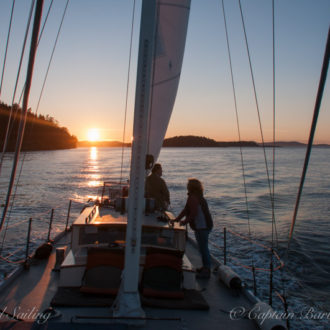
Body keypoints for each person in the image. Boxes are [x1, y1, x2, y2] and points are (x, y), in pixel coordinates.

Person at [174, 178, 213, 279]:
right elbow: (186, 209)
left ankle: (207, 270)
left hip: (202, 226)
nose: (187, 186)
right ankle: (205, 267)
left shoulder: (194, 198)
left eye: (188, 184)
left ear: (191, 187)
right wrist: (177, 219)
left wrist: (184, 222)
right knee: (202, 247)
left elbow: (193, 213)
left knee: (203, 248)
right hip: (203, 226)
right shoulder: (195, 196)